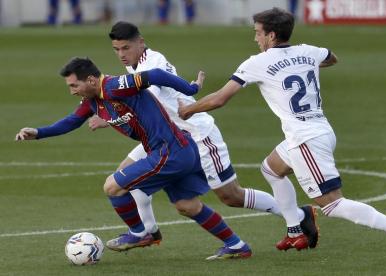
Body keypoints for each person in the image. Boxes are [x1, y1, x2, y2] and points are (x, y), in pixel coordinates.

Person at [178, 7, 386, 261]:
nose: (256, 39)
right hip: (318, 130)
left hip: (306, 140)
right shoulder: (309, 51)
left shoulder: (257, 63)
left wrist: (189, 110)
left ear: (272, 35)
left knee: (332, 204)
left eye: (258, 33)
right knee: (272, 169)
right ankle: (295, 229)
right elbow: (332, 58)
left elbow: (220, 98)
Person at [87, 21, 319, 252]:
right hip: (167, 137)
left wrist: (110, 116)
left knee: (231, 196)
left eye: (126, 48)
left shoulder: (153, 62)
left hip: (198, 135)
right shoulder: (135, 65)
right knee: (123, 179)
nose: (121, 55)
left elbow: (148, 98)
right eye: (116, 50)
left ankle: (299, 215)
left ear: (141, 43)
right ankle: (147, 231)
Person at [15, 57, 252, 260]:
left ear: (90, 80)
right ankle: (237, 245)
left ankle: (141, 233)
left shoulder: (115, 86)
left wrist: (190, 91)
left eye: (74, 85)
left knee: (113, 186)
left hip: (170, 151)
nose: (72, 90)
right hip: (179, 150)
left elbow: (156, 74)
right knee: (187, 206)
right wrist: (38, 133)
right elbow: (70, 122)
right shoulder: (93, 102)